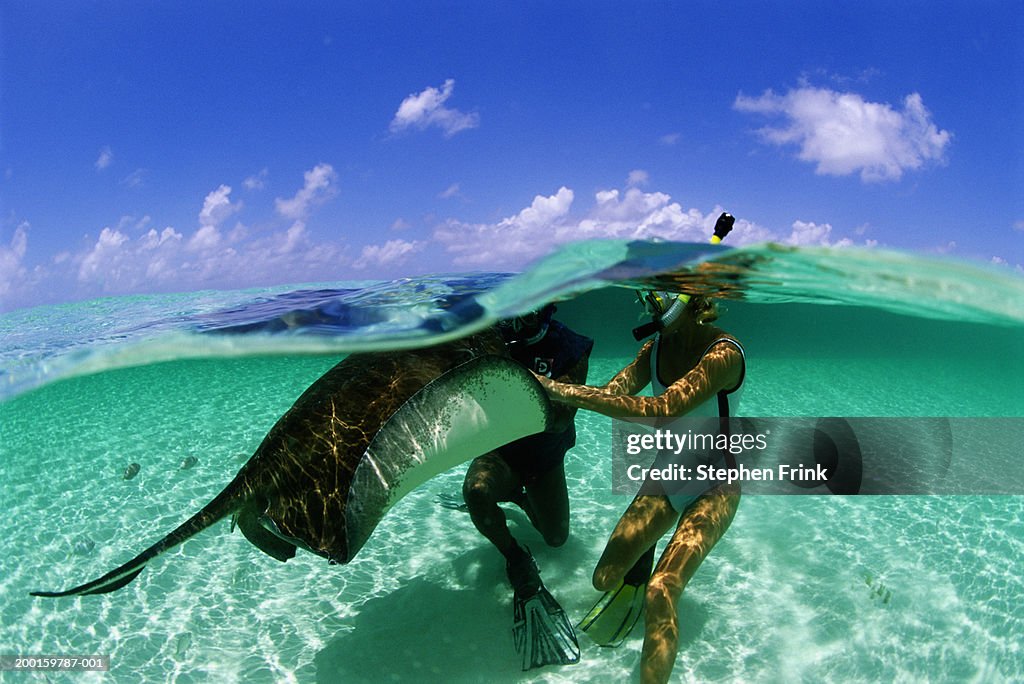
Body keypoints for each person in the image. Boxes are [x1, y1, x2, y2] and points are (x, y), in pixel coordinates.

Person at [534, 290, 745, 684]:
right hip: (669, 475)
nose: (650, 307)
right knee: (605, 578)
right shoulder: (654, 348)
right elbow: (614, 393)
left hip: (716, 484)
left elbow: (664, 407)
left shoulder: (724, 353)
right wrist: (550, 393)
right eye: (647, 298)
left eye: (659, 299)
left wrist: (562, 390)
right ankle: (638, 569)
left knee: (662, 591)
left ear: (688, 300)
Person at [446, 303, 593, 670]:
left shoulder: (571, 347)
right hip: (501, 454)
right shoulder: (489, 339)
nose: (519, 321)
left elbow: (559, 420)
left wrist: (518, 380)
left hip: (544, 457)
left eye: (531, 311)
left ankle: (518, 499)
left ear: (550, 308)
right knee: (477, 491)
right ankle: (514, 556)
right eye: (514, 310)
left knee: (556, 538)